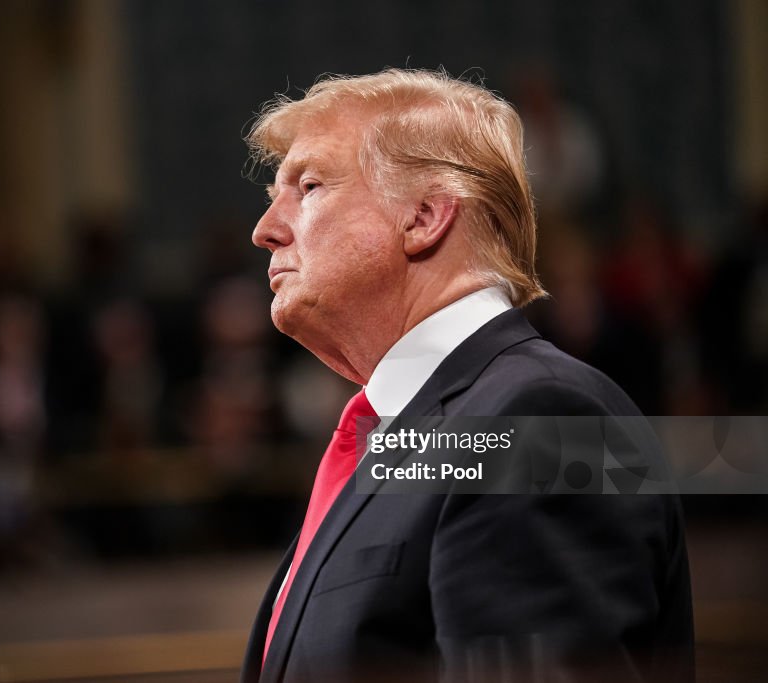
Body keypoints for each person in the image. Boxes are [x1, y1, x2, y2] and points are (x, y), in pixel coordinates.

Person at [240, 69, 694, 683]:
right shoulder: (401, 431)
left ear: (425, 216)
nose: (265, 228)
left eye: (311, 185)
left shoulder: (534, 417)